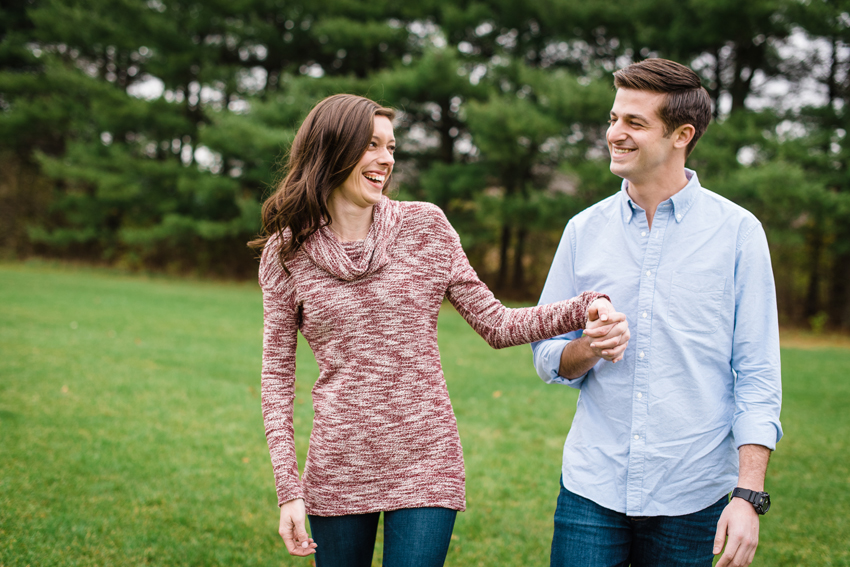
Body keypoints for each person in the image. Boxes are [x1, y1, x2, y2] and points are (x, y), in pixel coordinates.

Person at [249, 93, 629, 567]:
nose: (386, 160)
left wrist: (585, 306)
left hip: (426, 458)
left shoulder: (426, 227)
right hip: (339, 463)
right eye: (371, 145)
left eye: (391, 147)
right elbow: (276, 379)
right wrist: (289, 491)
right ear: (333, 150)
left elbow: (497, 324)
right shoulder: (287, 254)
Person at [531, 58, 783, 567]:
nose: (614, 134)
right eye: (613, 118)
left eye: (634, 123)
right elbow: (546, 355)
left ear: (681, 135)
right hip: (591, 488)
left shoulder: (738, 233)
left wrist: (747, 494)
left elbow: (757, 373)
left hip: (693, 492)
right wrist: (588, 349)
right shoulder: (583, 231)